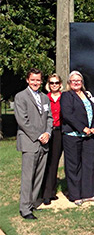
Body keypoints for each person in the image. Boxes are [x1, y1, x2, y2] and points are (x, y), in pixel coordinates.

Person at [14, 68, 53, 219]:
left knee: (38, 176)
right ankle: (24, 209)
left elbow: (49, 118)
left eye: (38, 80)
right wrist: (38, 135)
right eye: (33, 80)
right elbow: (22, 120)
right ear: (27, 80)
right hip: (30, 142)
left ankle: (32, 204)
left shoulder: (44, 97)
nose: (35, 82)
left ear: (41, 81)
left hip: (44, 142)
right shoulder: (21, 97)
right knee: (28, 176)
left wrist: (47, 133)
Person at [60, 71, 94, 206]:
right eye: (73, 80)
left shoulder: (87, 95)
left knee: (88, 165)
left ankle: (88, 193)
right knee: (73, 165)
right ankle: (75, 195)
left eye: (79, 80)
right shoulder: (66, 96)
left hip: (89, 136)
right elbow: (68, 115)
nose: (76, 82)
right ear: (69, 83)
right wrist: (82, 128)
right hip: (73, 136)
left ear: (82, 82)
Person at [42, 74, 64, 205]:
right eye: (51, 83)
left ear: (60, 84)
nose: (54, 85)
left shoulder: (65, 97)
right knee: (47, 161)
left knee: (54, 161)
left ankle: (51, 191)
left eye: (56, 83)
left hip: (60, 132)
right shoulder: (45, 98)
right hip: (47, 132)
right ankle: (45, 193)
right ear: (48, 84)